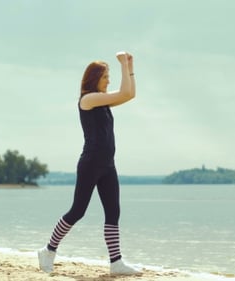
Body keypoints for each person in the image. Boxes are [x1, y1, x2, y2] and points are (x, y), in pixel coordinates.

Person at [38, 51, 138, 275]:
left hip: (108, 165)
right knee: (77, 211)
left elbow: (130, 94)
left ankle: (116, 263)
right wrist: (122, 63)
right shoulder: (89, 99)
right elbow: (123, 91)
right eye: (105, 76)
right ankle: (48, 251)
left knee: (113, 212)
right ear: (94, 79)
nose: (109, 80)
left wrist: (130, 67)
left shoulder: (104, 102)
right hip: (91, 163)